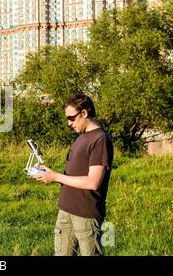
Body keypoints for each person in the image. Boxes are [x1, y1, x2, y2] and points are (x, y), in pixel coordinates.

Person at [34, 94, 114, 256]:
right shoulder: (81, 138)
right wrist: (48, 173)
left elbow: (93, 182)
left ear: (84, 113)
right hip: (66, 210)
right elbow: (73, 174)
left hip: (86, 214)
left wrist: (55, 176)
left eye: (71, 117)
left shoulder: (100, 140)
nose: (68, 123)